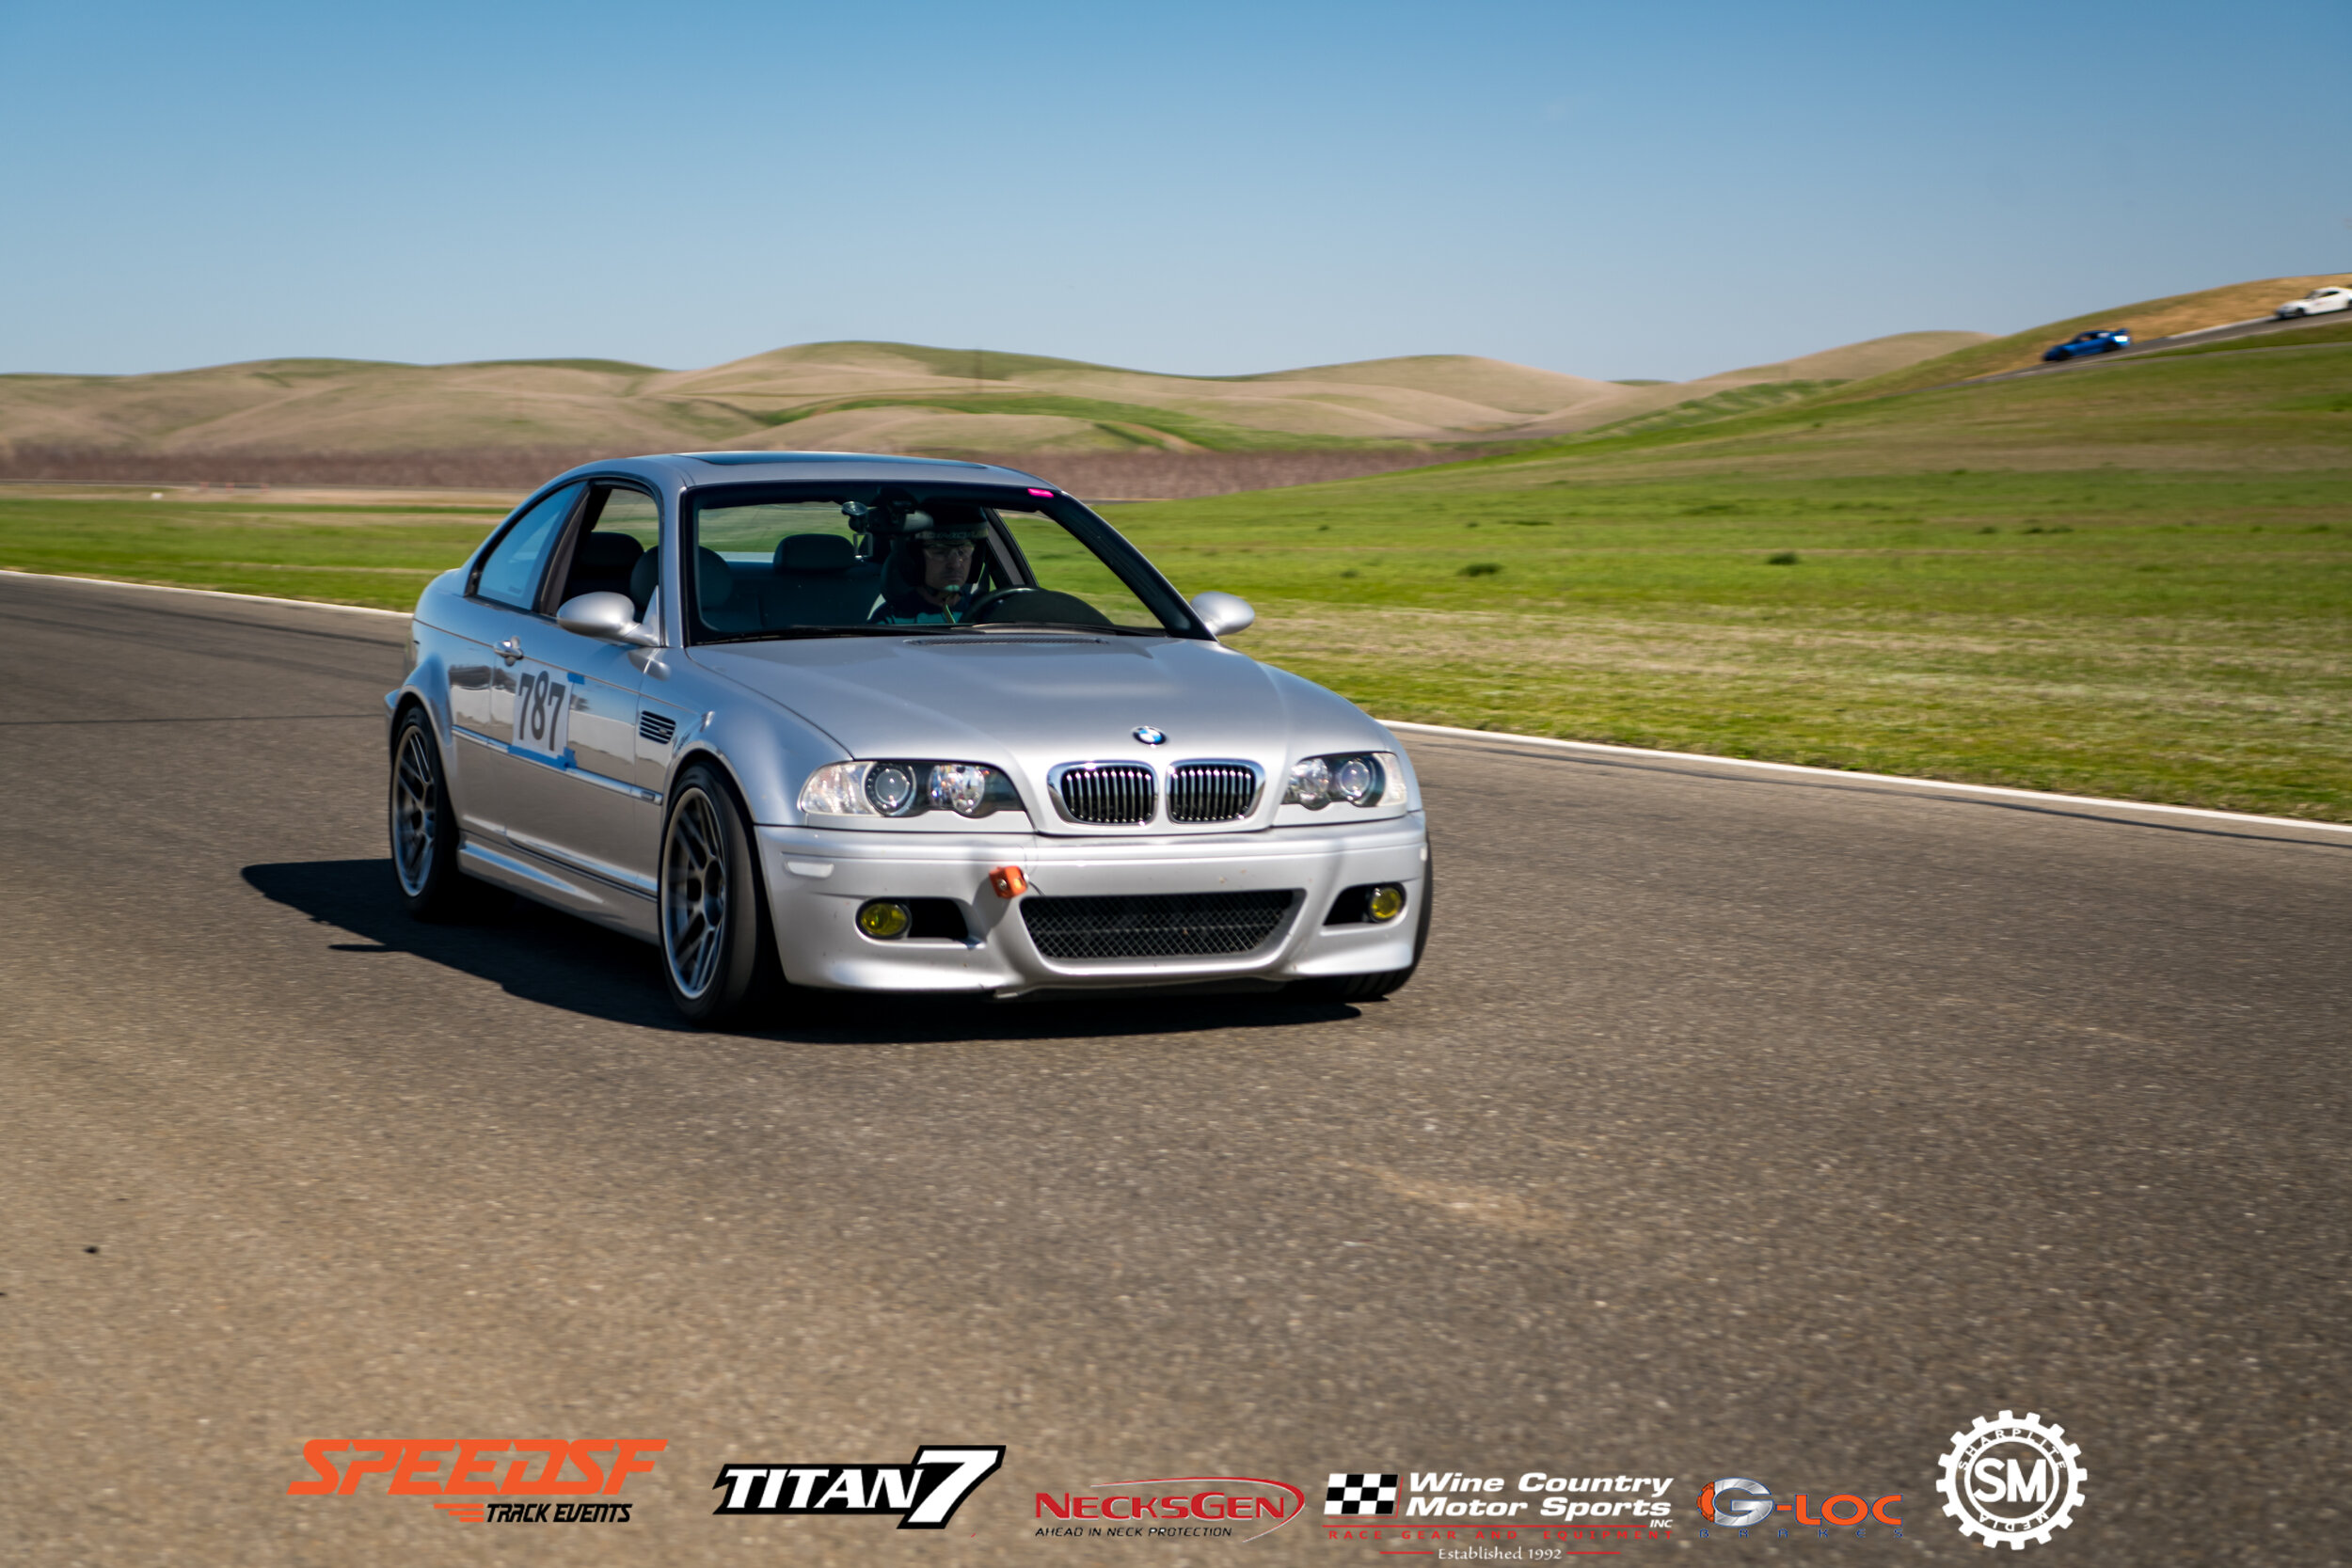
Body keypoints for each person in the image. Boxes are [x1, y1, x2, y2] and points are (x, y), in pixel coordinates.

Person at [868, 501, 993, 625]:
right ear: (914, 559)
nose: (955, 564)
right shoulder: (890, 622)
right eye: (940, 552)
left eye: (963, 552)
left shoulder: (989, 613)